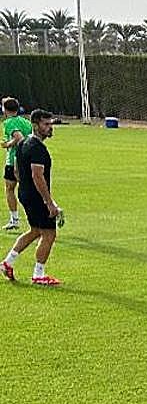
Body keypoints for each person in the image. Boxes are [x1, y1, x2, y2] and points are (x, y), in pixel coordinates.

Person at [3, 109, 62, 286]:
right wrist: (49, 202)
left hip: (25, 193)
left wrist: (25, 186)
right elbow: (38, 175)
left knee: (36, 230)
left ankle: (7, 262)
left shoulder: (23, 143)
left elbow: (16, 170)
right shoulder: (37, 148)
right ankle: (39, 274)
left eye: (50, 124)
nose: (50, 127)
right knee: (49, 234)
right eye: (46, 124)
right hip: (36, 197)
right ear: (35, 126)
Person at [3, 97, 32, 231]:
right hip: (28, 158)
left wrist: (8, 144)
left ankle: (14, 219)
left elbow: (18, 138)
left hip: (15, 160)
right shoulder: (26, 122)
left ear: (5, 109)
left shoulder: (9, 122)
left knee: (10, 189)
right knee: (30, 188)